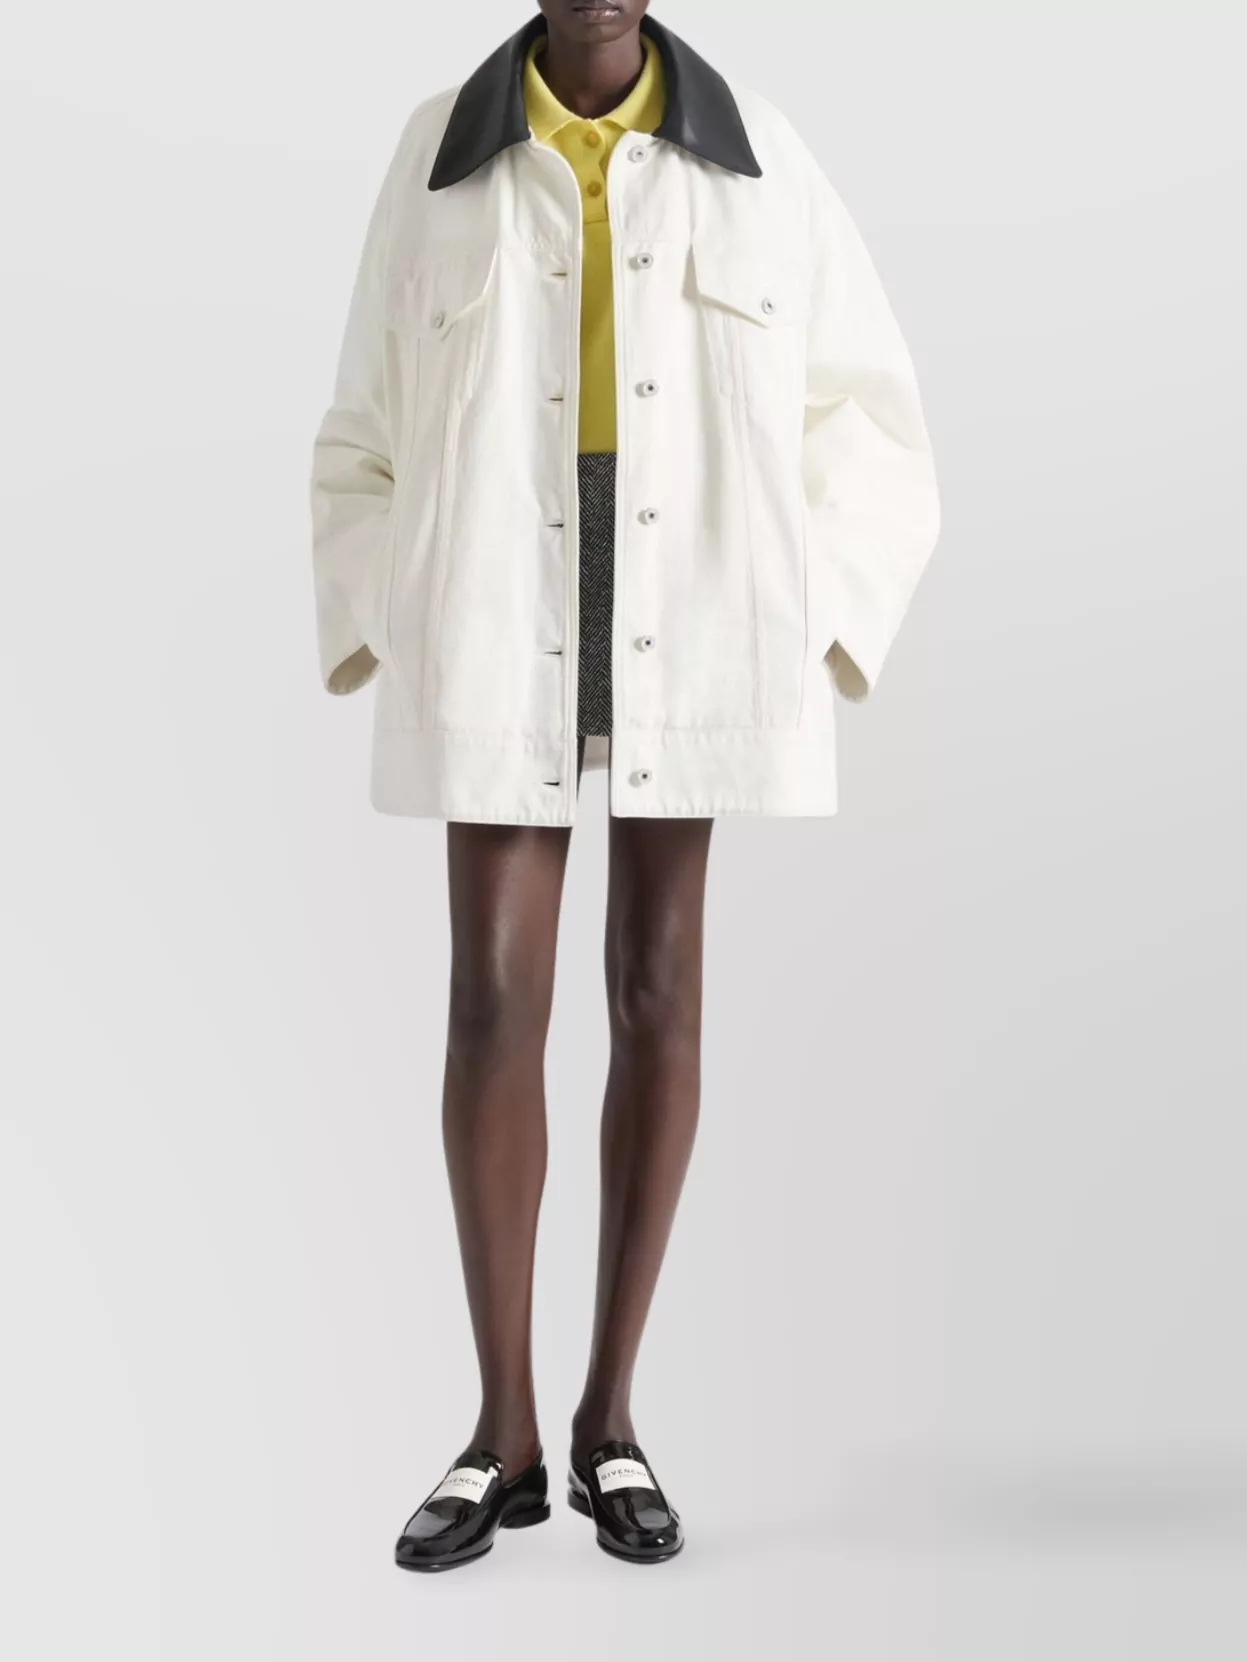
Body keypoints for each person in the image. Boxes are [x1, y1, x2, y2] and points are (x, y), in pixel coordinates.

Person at [309, 0, 940, 1570]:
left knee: (656, 989)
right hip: (493, 601)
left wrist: (805, 624)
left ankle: (610, 1419)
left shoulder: (758, 155)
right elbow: (361, 428)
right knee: (489, 997)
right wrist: (394, 614)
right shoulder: (438, 156)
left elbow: (872, 421)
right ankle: (500, 1431)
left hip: (691, 604)